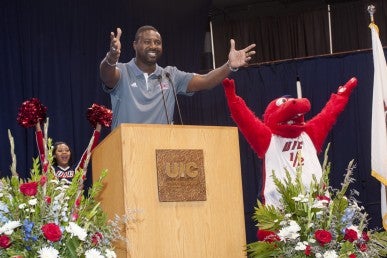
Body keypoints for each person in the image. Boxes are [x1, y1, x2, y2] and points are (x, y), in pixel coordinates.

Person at [100, 25, 256, 128]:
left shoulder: (170, 75)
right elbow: (106, 75)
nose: (153, 46)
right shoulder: (122, 71)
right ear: (135, 45)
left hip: (162, 154)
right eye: (147, 42)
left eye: (157, 42)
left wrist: (229, 65)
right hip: (127, 152)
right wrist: (111, 58)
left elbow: (206, 81)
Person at [35, 122, 101, 181]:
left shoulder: (76, 170)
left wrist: (98, 126)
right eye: (60, 151)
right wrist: (37, 124)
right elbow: (42, 150)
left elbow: (89, 150)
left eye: (67, 150)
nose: (64, 152)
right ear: (54, 155)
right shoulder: (50, 169)